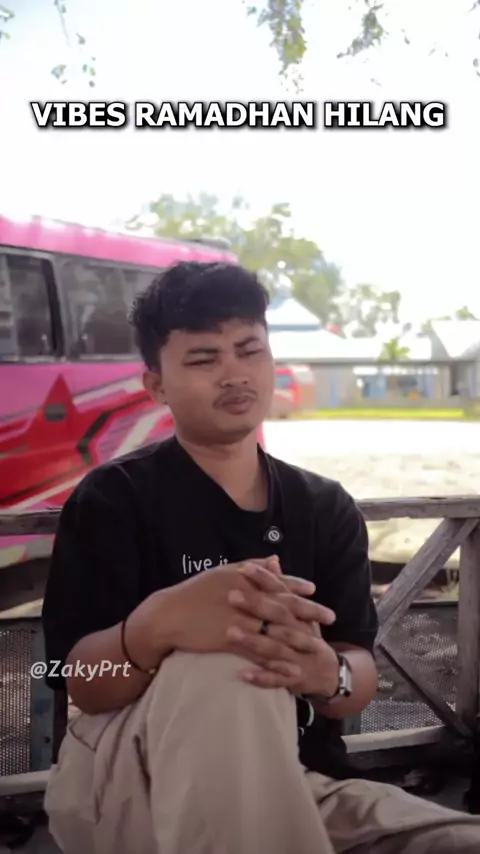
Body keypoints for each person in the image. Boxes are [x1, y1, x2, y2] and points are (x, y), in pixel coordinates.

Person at [41, 261, 480, 854]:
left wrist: (326, 673)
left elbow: (356, 671)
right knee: (227, 664)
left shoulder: (322, 506)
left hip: (302, 783)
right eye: (204, 359)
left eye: (249, 350)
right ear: (157, 385)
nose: (234, 374)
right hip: (132, 781)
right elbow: (80, 683)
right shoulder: (114, 499)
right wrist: (158, 627)